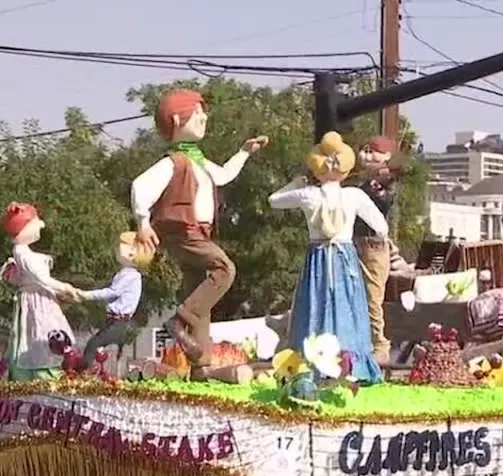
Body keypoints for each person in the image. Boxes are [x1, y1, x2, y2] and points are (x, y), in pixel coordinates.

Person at [130, 88, 268, 381]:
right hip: (183, 233)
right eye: (197, 112)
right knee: (223, 268)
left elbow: (223, 176)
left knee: (198, 292)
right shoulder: (175, 162)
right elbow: (140, 188)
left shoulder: (198, 160)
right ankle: (180, 320)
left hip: (198, 233)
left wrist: (244, 152)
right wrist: (142, 223)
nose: (204, 117)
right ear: (178, 119)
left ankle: (201, 365)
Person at [268, 132, 388, 383]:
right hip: (344, 258)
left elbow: (273, 201)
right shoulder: (354, 195)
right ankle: (351, 365)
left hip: (318, 256)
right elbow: (381, 227)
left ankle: (309, 364)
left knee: (315, 305)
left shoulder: (307, 194)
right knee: (347, 306)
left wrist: (295, 183)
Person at [0, 203, 78, 380]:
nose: (41, 225)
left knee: (42, 333)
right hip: (36, 303)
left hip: (41, 299)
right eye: (35, 222)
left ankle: (44, 371)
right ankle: (40, 373)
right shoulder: (23, 253)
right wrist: (66, 287)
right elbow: (42, 279)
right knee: (38, 334)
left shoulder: (24, 254)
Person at [352, 136, 402, 363]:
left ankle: (380, 345)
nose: (366, 156)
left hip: (373, 244)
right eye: (365, 151)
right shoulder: (365, 181)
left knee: (372, 296)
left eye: (372, 152)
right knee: (354, 294)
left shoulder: (386, 182)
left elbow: (382, 204)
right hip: (355, 241)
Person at [77, 232, 149, 369]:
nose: (117, 248)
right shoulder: (125, 274)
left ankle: (83, 374)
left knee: (94, 344)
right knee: (97, 346)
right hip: (113, 321)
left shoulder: (131, 275)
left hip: (119, 322)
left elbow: (112, 292)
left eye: (122, 246)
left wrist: (85, 295)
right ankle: (91, 372)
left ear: (132, 253)